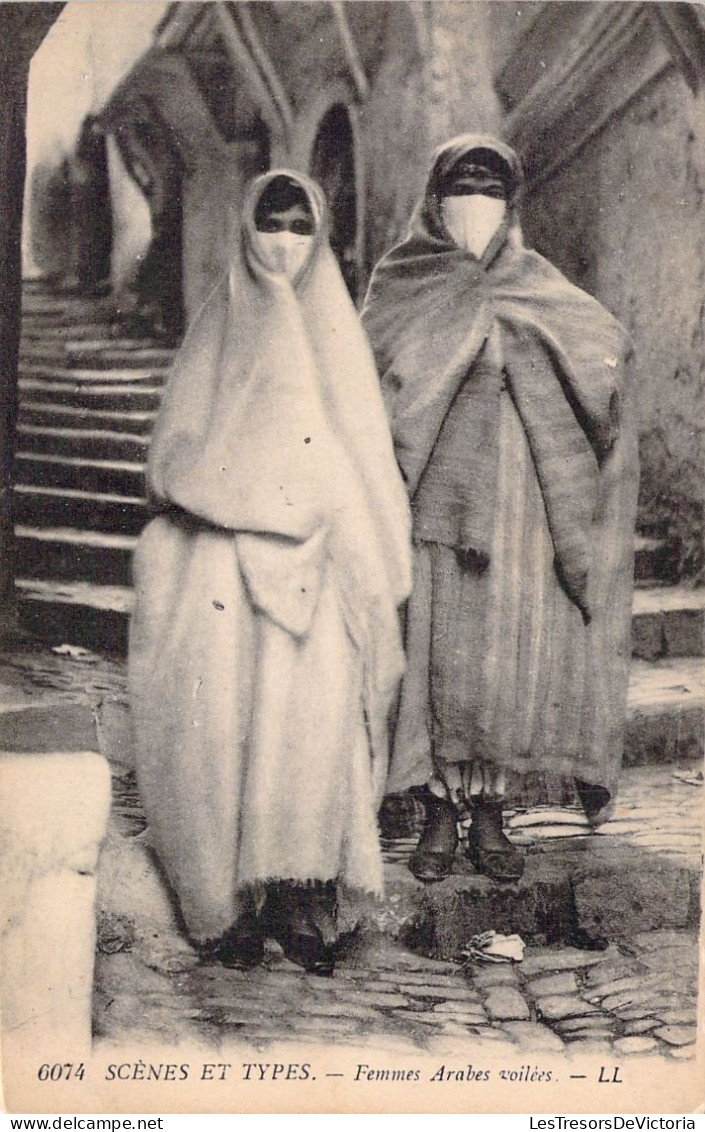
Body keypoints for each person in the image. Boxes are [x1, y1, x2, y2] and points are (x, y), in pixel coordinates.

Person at [129, 172, 411, 974]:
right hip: (221, 566)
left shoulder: (335, 333)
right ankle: (226, 909)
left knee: (311, 732)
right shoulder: (218, 326)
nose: (283, 240)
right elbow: (173, 457)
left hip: (323, 565)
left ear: (317, 236)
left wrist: (358, 546)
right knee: (223, 735)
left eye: (298, 225)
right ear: (245, 230)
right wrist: (239, 500)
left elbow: (362, 458)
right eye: (270, 223)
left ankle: (301, 898)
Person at [362, 134, 639, 885]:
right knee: (436, 649)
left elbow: (602, 349)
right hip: (431, 499)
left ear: (511, 202)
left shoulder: (532, 282)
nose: (474, 200)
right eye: (461, 184)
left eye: (490, 186)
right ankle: (437, 814)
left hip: (523, 494)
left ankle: (490, 814)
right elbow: (368, 379)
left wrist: (527, 356)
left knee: (505, 654)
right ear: (433, 196)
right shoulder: (403, 280)